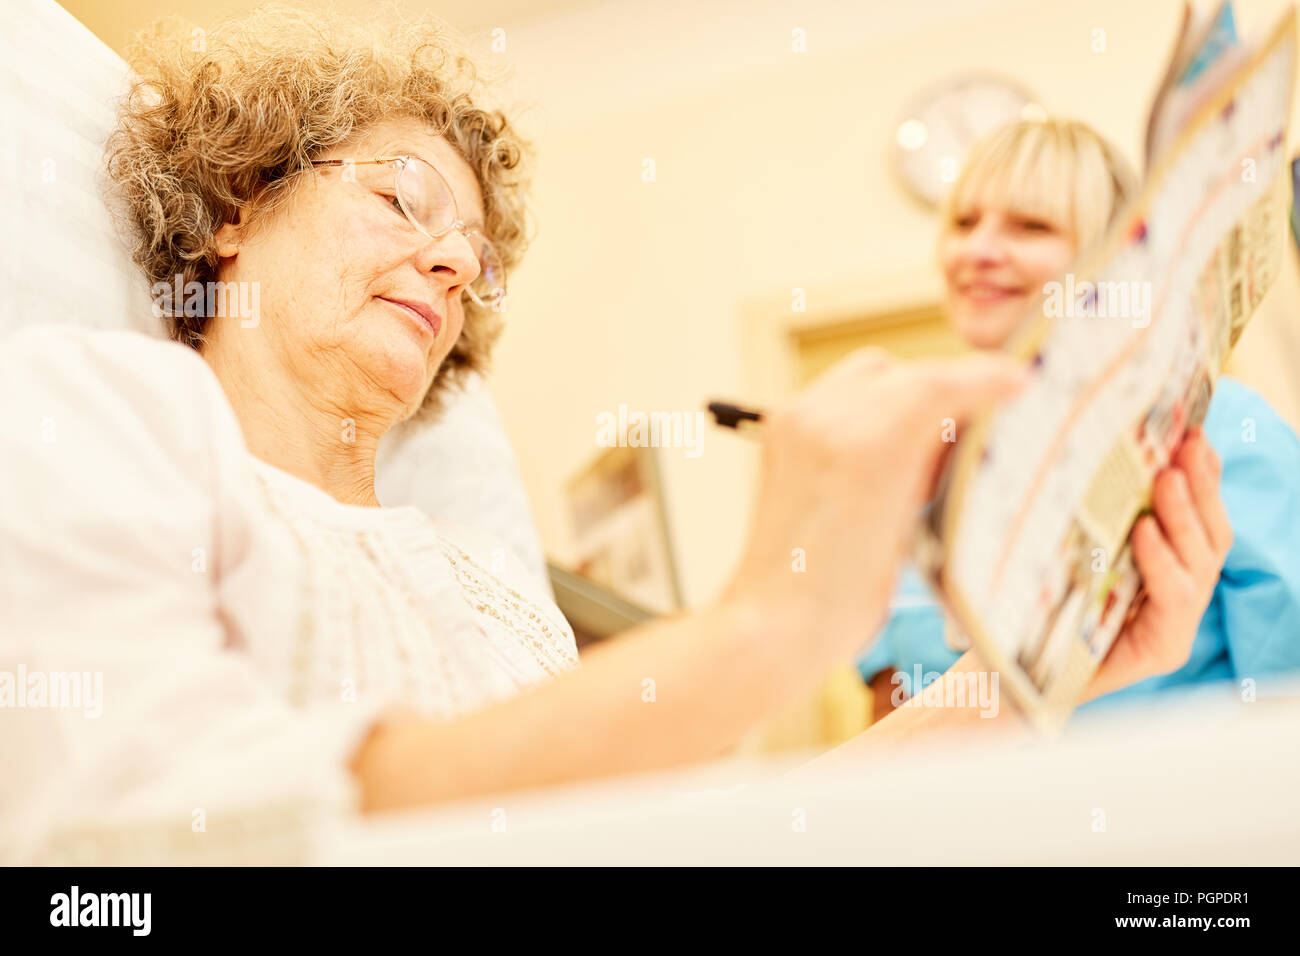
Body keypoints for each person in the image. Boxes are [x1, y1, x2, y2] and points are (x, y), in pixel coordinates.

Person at [0, 9, 1232, 863]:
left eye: (473, 259)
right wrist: (765, 624)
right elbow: (145, 847)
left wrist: (1040, 675)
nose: (447, 258)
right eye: (401, 200)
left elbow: (709, 840)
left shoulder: (488, 584)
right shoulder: (103, 416)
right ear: (237, 207)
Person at [857, 118, 1300, 718]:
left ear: (1112, 258)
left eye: (1031, 225)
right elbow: (888, 712)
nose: (978, 251)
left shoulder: (1219, 430)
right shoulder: (923, 460)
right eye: (964, 223)